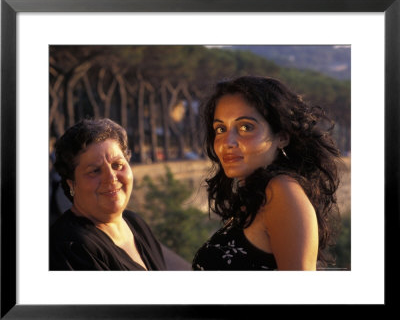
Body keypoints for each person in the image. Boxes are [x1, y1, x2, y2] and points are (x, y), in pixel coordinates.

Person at [192, 76, 341, 271]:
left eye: (246, 127)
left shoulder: (281, 191)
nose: (227, 142)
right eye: (220, 129)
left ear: (282, 137)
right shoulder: (257, 198)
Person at [50, 118, 166, 270]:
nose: (111, 177)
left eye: (117, 165)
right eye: (95, 171)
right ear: (71, 183)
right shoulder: (69, 248)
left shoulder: (136, 224)